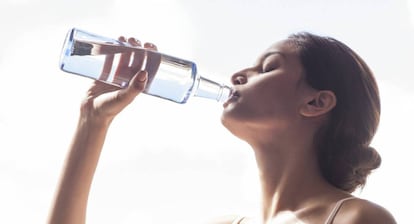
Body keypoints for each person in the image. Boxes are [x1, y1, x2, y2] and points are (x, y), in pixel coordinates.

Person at [48, 33, 396, 224]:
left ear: (316, 103)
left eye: (269, 66)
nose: (238, 75)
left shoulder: (357, 219)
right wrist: (92, 121)